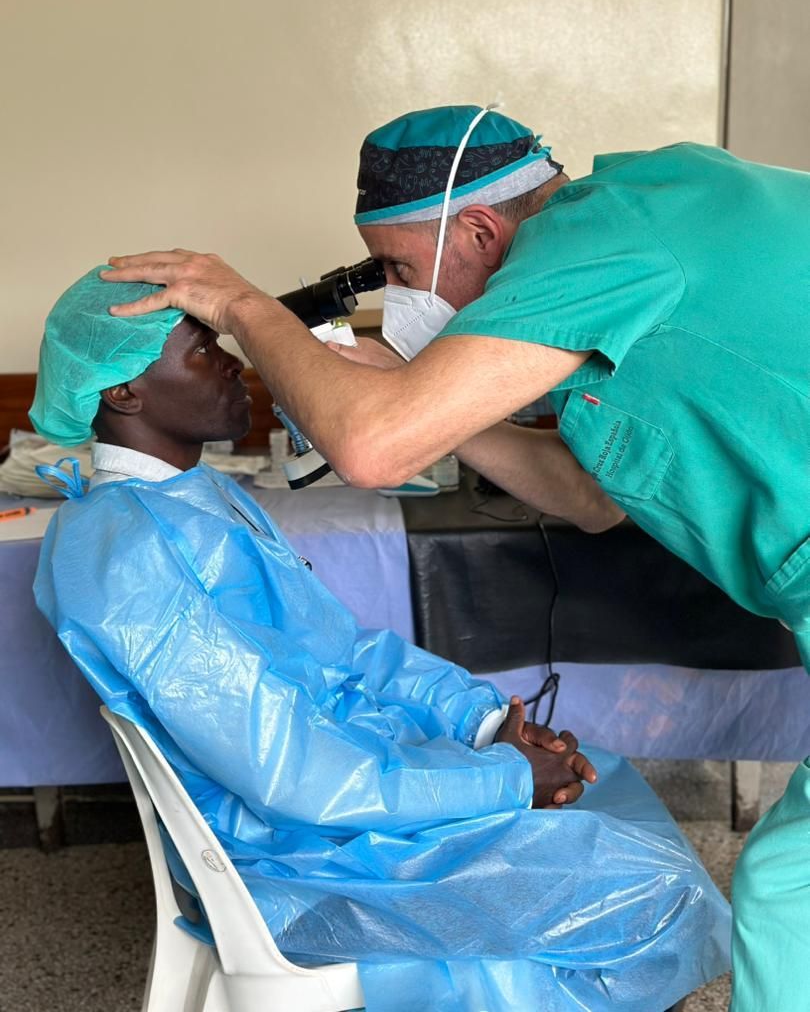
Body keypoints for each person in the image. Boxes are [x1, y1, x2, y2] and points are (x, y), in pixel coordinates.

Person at [101, 103, 809, 1011]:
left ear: (478, 230)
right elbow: (591, 499)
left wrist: (246, 308)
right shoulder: (634, 233)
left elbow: (371, 452)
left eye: (399, 270)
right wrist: (426, 400)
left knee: (789, 891)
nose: (397, 295)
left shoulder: (603, 233)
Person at [31, 268, 730, 1012]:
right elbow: (290, 770)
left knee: (608, 787)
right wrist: (500, 779)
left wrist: (484, 722)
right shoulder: (127, 553)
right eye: (205, 351)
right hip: (297, 860)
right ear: (123, 391)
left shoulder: (197, 497)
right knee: (651, 890)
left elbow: (348, 650)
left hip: (346, 793)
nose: (237, 364)